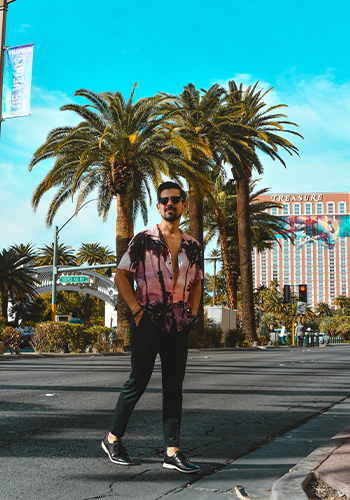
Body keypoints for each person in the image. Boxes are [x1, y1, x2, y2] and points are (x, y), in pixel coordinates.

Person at [101, 181, 203, 473]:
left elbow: (197, 283)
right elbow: (121, 275)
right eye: (165, 200)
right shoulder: (142, 239)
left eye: (176, 199)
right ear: (158, 207)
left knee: (174, 388)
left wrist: (192, 314)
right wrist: (136, 310)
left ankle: (172, 452)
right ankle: (112, 439)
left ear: (184, 205)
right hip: (147, 322)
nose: (170, 204)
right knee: (138, 382)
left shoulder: (193, 246)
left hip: (178, 326)